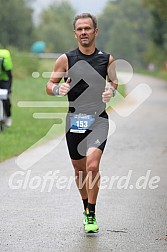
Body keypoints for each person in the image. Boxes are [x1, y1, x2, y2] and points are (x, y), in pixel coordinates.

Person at [46, 13, 118, 233]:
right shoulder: (66, 59)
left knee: (92, 166)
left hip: (99, 120)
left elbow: (114, 81)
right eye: (80, 29)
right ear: (75, 33)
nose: (84, 32)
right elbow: (49, 85)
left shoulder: (107, 59)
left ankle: (91, 213)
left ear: (96, 31)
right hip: (74, 120)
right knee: (79, 171)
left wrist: (110, 90)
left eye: (88, 28)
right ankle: (85, 206)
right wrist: (59, 89)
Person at [0, 49, 13, 127]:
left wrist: (9, 89)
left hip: (5, 79)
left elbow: (9, 75)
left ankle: (8, 116)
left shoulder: (4, 58)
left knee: (6, 99)